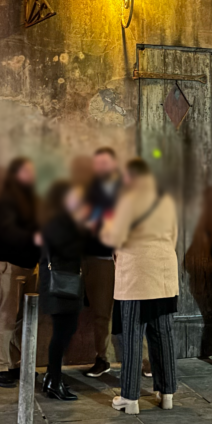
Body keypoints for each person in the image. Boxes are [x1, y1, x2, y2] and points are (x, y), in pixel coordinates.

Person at [101, 158, 178, 415]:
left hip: (135, 275)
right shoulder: (165, 200)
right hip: (164, 274)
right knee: (162, 334)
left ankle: (130, 398)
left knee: (133, 335)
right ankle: (166, 393)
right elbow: (174, 236)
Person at [0, 157, 40, 387]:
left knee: (22, 319)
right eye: (26, 171)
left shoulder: (31, 198)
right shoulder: (7, 199)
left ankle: (17, 364)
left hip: (29, 265)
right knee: (7, 317)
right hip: (11, 265)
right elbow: (8, 232)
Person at [36, 181, 88, 401]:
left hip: (66, 283)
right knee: (61, 333)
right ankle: (54, 381)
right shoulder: (58, 220)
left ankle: (52, 376)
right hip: (60, 285)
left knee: (65, 331)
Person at [81, 147, 120, 378]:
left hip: (126, 260)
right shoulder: (89, 191)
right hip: (98, 260)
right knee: (100, 313)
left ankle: (145, 360)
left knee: (133, 312)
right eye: (98, 164)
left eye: (106, 163)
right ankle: (102, 358)